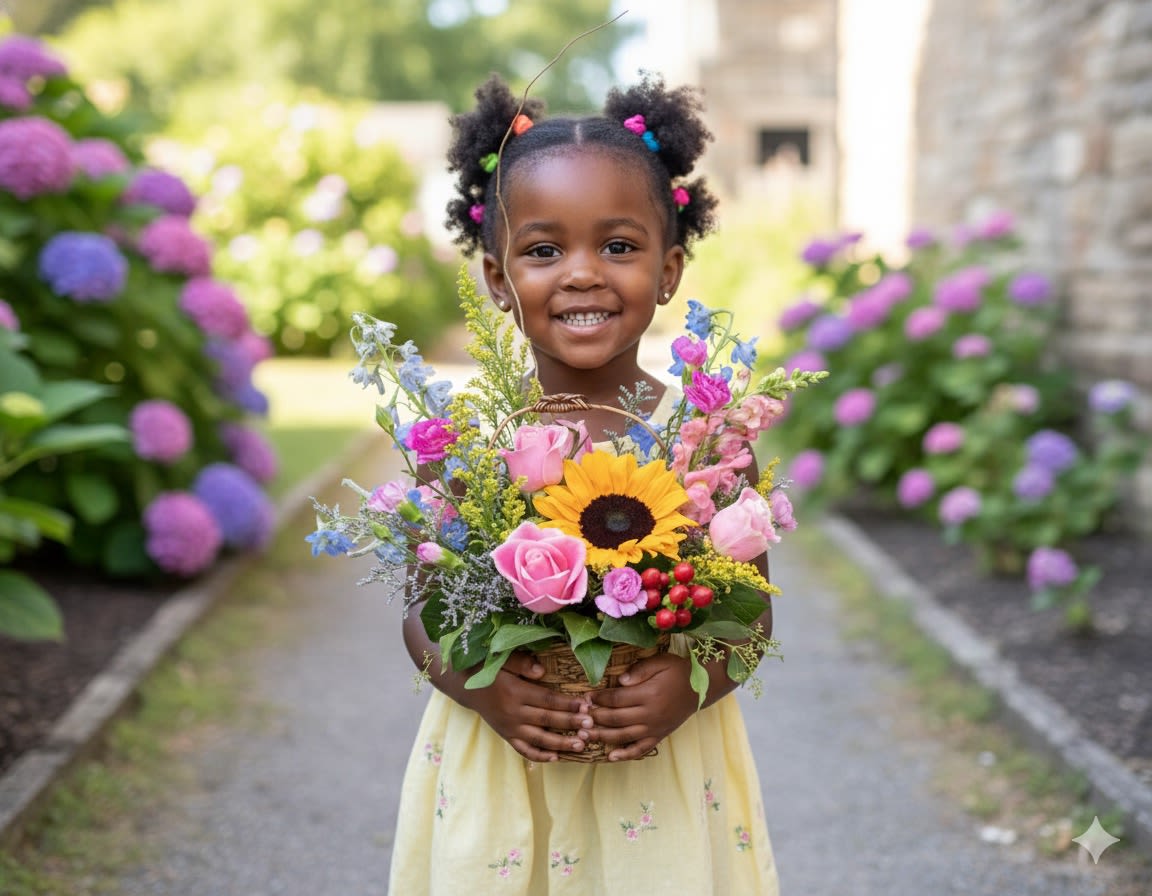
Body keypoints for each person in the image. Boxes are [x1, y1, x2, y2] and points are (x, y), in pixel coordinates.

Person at [388, 73, 779, 895]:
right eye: (542, 250)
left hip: (661, 772)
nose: (581, 274)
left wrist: (690, 684)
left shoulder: (707, 440)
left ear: (669, 270)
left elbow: (754, 615)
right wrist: (481, 691)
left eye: (619, 246)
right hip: (506, 768)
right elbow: (423, 617)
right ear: (497, 278)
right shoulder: (463, 442)